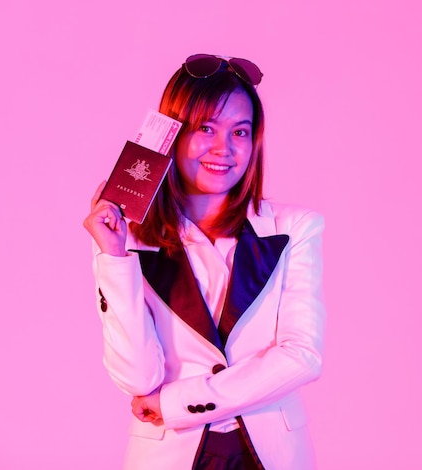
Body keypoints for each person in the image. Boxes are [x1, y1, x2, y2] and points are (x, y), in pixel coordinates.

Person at [83, 54, 326, 470]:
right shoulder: (129, 238)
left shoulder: (294, 228)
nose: (223, 148)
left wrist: (179, 402)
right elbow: (138, 379)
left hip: (267, 454)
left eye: (241, 131)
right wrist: (114, 257)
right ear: (173, 134)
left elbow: (302, 354)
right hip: (169, 455)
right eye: (206, 128)